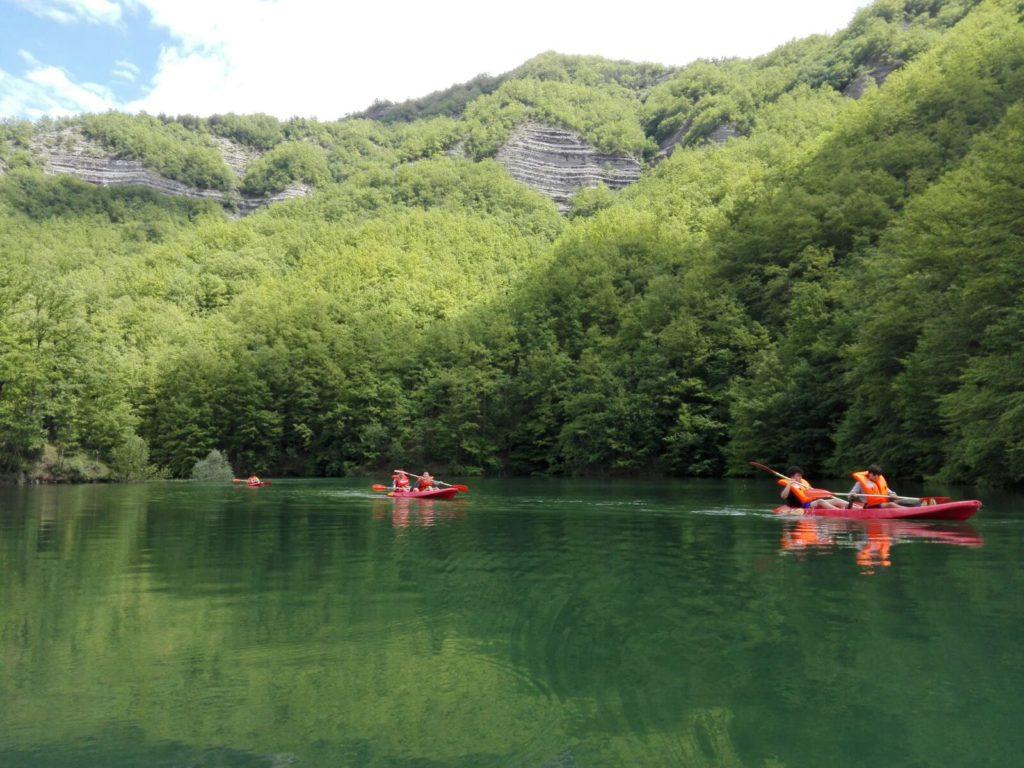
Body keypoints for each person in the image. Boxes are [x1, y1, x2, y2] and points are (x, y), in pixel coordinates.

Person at [778, 467, 845, 511]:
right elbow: (783, 496)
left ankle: (853, 508)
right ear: (792, 476)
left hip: (809, 504)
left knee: (836, 500)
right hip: (801, 507)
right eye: (798, 475)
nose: (801, 477)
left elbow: (811, 494)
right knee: (820, 501)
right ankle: (840, 511)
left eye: (801, 475)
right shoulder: (789, 486)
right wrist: (789, 484)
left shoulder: (803, 484)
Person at [848, 464, 916, 508]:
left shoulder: (879, 481)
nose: (877, 478)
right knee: (890, 504)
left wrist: (893, 494)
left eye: (878, 476)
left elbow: (888, 491)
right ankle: (910, 510)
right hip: (870, 506)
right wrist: (853, 495)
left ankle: (917, 504)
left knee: (898, 500)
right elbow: (849, 495)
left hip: (881, 503)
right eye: (875, 476)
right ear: (870, 474)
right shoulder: (860, 483)